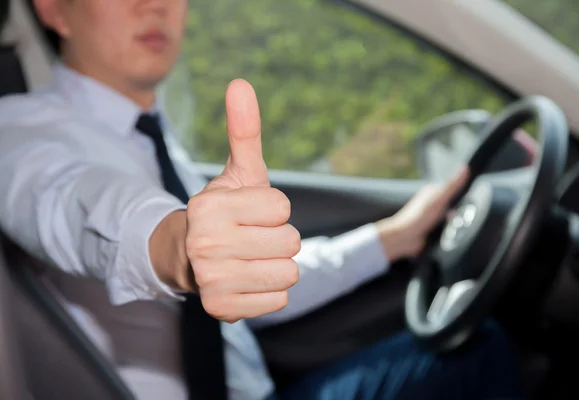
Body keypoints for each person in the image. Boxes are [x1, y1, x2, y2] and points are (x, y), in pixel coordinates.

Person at [0, 0, 523, 399]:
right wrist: (174, 247)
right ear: (52, 9)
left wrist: (395, 237)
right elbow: (66, 202)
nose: (154, 5)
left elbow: (262, 282)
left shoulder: (155, 137)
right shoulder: (17, 131)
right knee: (482, 349)